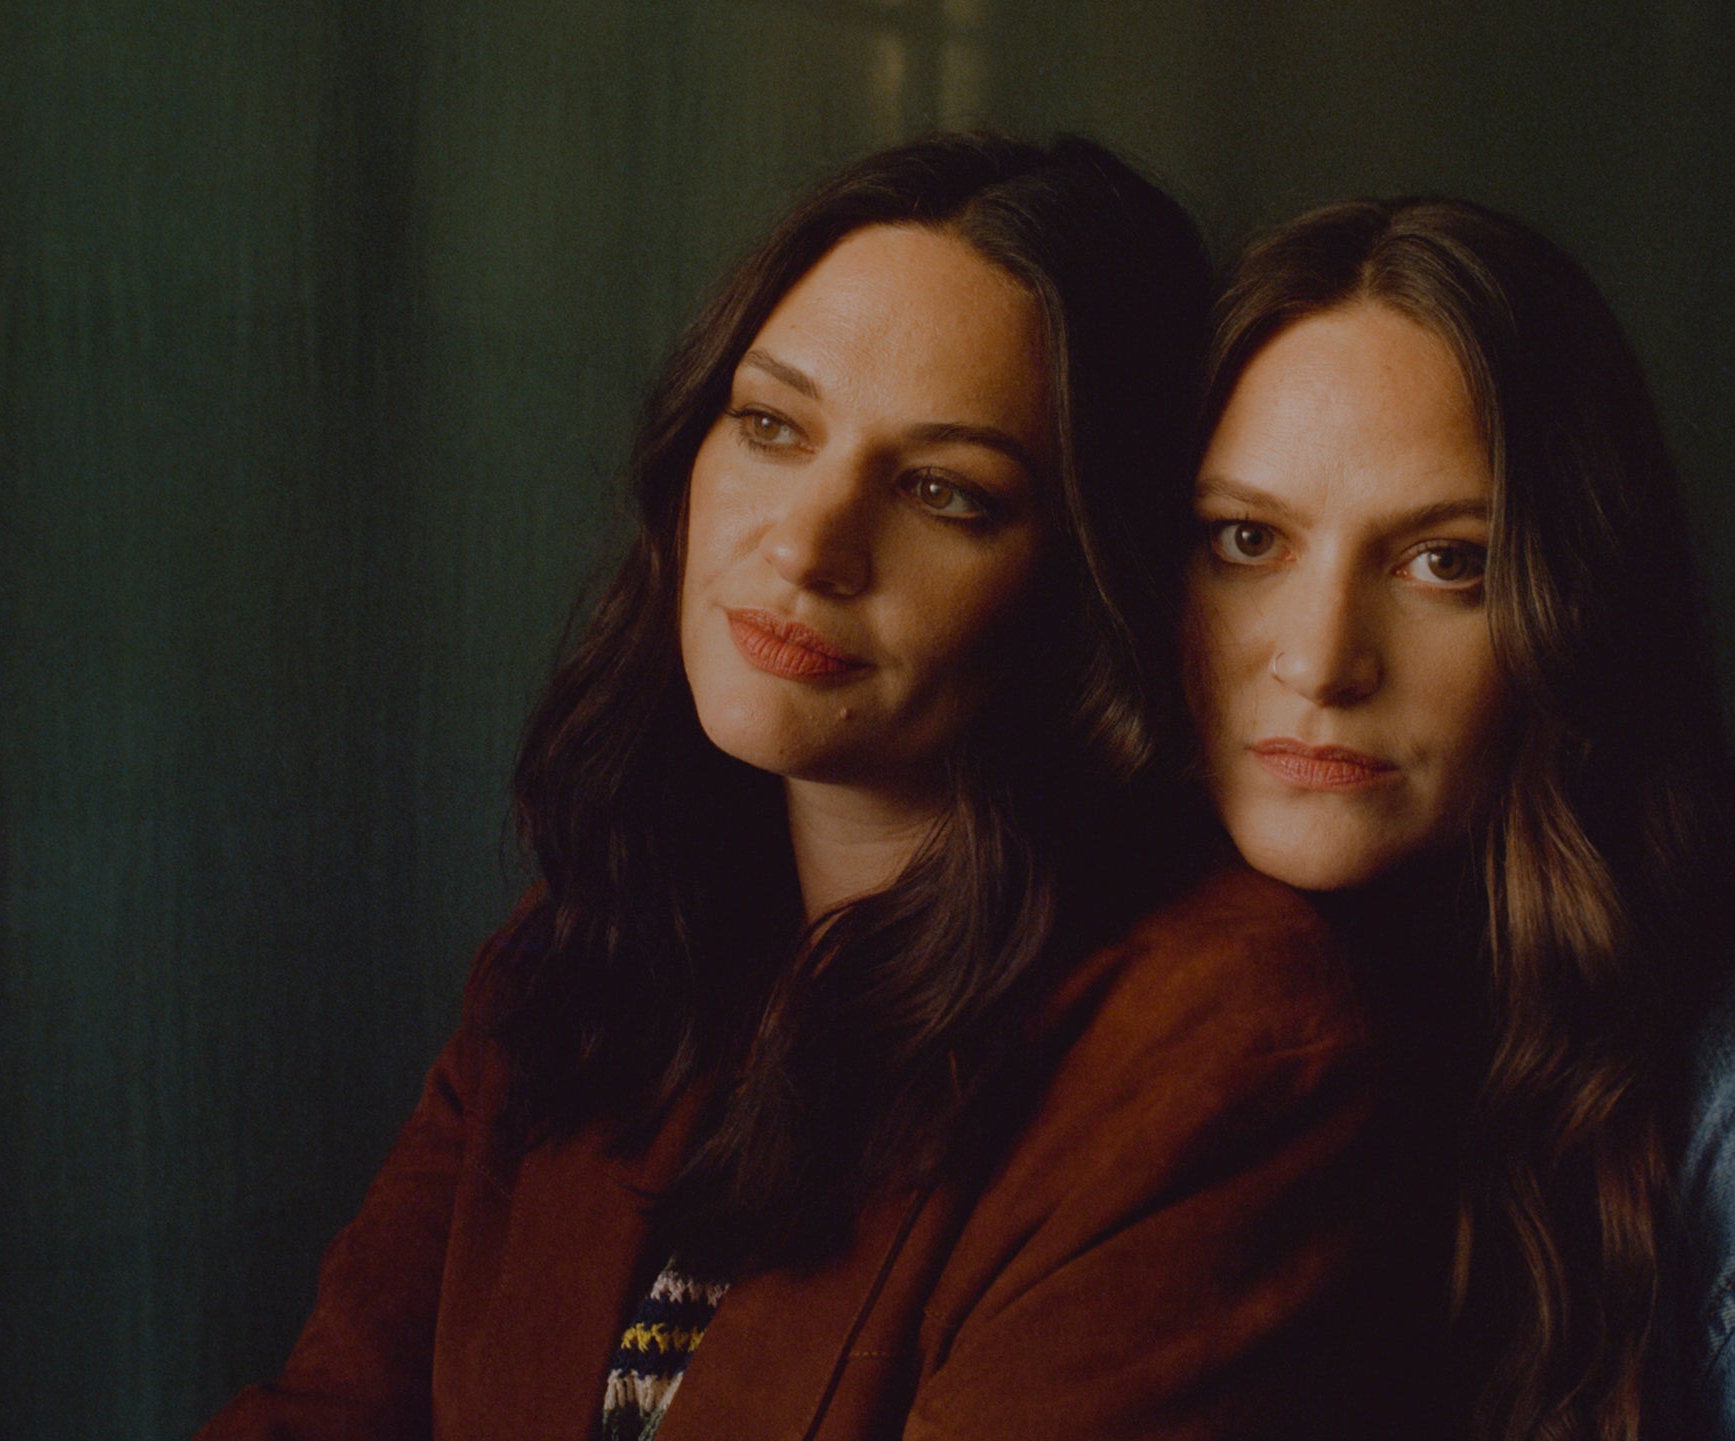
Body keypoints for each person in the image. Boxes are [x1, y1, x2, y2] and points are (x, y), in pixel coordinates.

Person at [201, 135, 1374, 1441]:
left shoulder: (1217, 1041)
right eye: (770, 426)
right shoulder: (583, 947)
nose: (807, 544)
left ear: (1083, 582)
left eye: (943, 491)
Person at [1181, 197, 1735, 1440]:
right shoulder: (1109, 1002)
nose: (1321, 658)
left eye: (1447, 562)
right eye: (1247, 539)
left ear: (1575, 605)